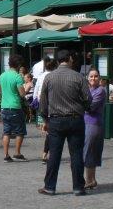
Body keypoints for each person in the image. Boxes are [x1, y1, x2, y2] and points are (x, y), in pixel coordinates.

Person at [38, 49, 90, 195]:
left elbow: (43, 102)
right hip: (75, 119)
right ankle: (78, 187)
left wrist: (45, 119)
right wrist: (83, 108)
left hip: (56, 120)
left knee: (54, 154)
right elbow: (88, 99)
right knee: (77, 154)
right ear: (70, 59)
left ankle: (50, 186)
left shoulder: (49, 77)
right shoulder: (78, 77)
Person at [0, 55, 28, 163]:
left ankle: (6, 155)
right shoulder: (17, 77)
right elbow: (22, 93)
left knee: (6, 132)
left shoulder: (2, 75)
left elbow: (0, 91)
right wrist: (25, 90)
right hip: (15, 107)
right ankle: (17, 153)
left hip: (4, 107)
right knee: (20, 131)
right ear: (18, 65)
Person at [83, 68, 106, 189]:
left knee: (89, 151)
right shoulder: (87, 90)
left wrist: (80, 103)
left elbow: (91, 107)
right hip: (85, 123)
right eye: (91, 76)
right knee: (89, 151)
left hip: (94, 124)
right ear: (87, 78)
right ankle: (91, 179)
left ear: (99, 78)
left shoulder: (101, 90)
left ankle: (89, 179)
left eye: (96, 76)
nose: (93, 78)